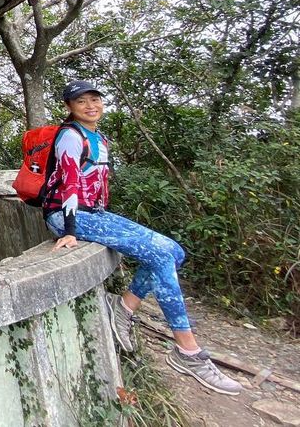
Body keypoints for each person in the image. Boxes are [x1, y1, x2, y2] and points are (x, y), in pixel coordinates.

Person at [44, 79, 242, 396]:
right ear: (69, 108)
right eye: (81, 102)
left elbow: (97, 187)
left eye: (95, 99)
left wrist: (106, 217)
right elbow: (68, 183)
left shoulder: (99, 138)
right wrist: (68, 231)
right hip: (69, 215)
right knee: (163, 255)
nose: (91, 106)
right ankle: (188, 352)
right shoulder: (70, 136)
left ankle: (123, 307)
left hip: (94, 213)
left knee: (173, 251)